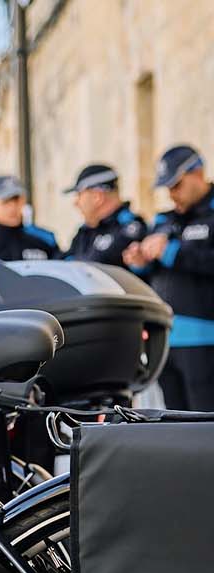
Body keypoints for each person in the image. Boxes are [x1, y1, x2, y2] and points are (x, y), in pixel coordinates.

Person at [125, 144, 214, 409]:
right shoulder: (164, 220)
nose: (172, 194)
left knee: (204, 429)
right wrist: (140, 263)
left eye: (176, 185)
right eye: (168, 187)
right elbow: (154, 275)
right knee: (176, 429)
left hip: (206, 341)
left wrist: (172, 252)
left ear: (197, 173)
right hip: (165, 341)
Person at [62, 163, 147, 265]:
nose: (75, 203)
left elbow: (94, 266)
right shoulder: (85, 231)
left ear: (97, 197)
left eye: (79, 195)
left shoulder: (129, 226)